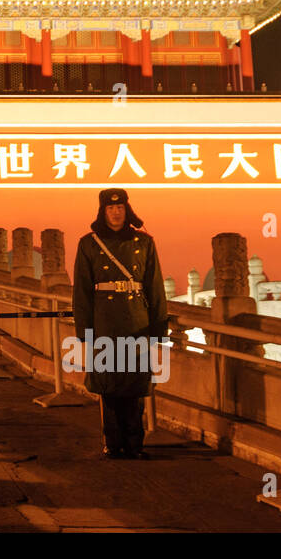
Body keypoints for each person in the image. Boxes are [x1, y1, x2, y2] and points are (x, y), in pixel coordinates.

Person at [71, 188, 168, 460]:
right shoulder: (89, 243)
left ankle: (135, 444)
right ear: (102, 211)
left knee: (136, 385)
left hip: (137, 319)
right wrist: (84, 331)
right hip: (105, 321)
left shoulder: (144, 242)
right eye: (110, 208)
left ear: (127, 210)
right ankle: (113, 443)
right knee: (109, 386)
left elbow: (154, 286)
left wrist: (159, 327)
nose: (116, 212)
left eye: (121, 207)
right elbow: (81, 291)